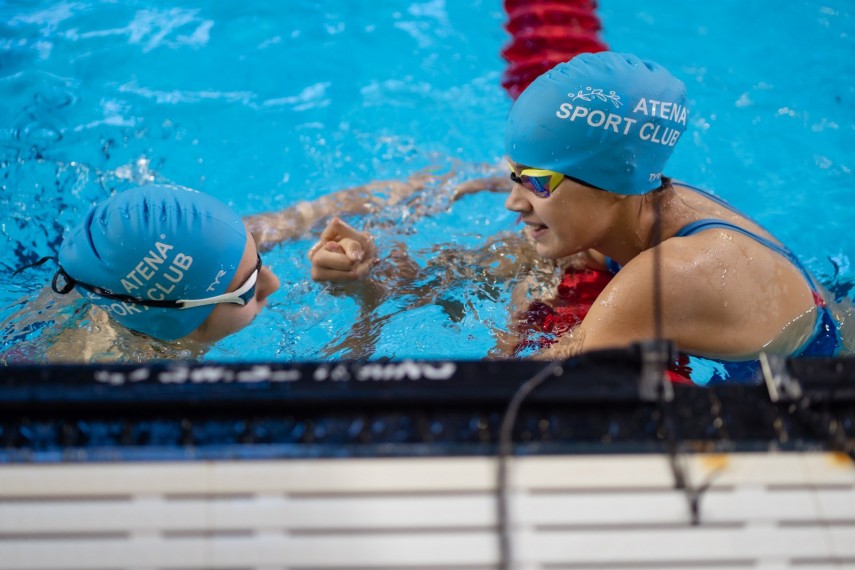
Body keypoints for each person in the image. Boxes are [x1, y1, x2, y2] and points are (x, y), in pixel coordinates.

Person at [310, 52, 844, 384]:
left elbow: (502, 395)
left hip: (795, 387)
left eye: (538, 181)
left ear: (612, 184)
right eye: (513, 174)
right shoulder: (643, 204)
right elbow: (466, 271)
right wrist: (371, 277)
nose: (513, 202)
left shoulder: (670, 277)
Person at [4, 173, 439, 363]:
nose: (275, 282)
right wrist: (369, 301)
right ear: (184, 327)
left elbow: (332, 206)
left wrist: (476, 181)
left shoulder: (202, 249)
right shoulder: (117, 376)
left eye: (259, 260)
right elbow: (343, 400)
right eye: (247, 289)